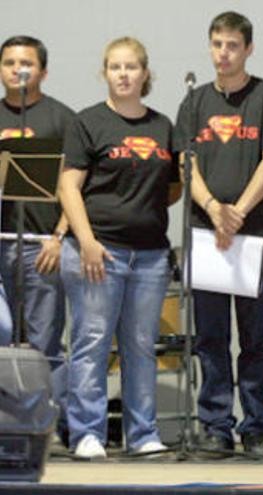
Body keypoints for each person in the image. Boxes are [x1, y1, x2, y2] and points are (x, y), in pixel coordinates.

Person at [174, 11, 263, 457]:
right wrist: (211, 208)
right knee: (211, 336)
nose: (224, 53)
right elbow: (188, 164)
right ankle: (216, 425)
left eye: (233, 46)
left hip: (254, 231)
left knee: (254, 336)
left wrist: (236, 212)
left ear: (248, 49)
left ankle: (256, 428)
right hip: (207, 232)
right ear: (209, 47)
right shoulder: (195, 101)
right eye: (217, 44)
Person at [58, 36, 178, 459]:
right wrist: (87, 241)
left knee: (141, 345)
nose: (123, 74)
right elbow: (68, 186)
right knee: (92, 342)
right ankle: (86, 433)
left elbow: (174, 187)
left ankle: (142, 434)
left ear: (146, 74)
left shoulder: (163, 126)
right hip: (98, 253)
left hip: (150, 256)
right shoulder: (87, 122)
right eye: (115, 67)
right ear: (104, 73)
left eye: (131, 67)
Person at [0, 37, 72, 439]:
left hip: (42, 245)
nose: (17, 69)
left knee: (45, 344)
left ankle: (49, 429)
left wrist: (59, 237)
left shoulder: (62, 119)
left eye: (26, 63)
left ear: (43, 71)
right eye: (9, 62)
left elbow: (76, 188)